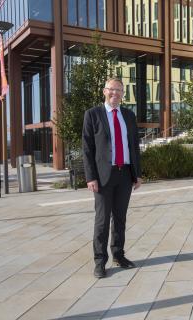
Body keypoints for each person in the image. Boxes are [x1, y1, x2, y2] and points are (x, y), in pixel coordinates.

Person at [83, 77, 142, 278]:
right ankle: (100, 262)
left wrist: (137, 174)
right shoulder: (93, 115)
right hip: (102, 177)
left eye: (119, 90)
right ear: (104, 91)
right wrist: (90, 177)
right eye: (111, 90)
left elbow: (134, 147)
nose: (115, 93)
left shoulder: (129, 115)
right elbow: (87, 149)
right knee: (101, 221)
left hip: (124, 174)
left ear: (123, 94)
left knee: (120, 218)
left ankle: (119, 254)